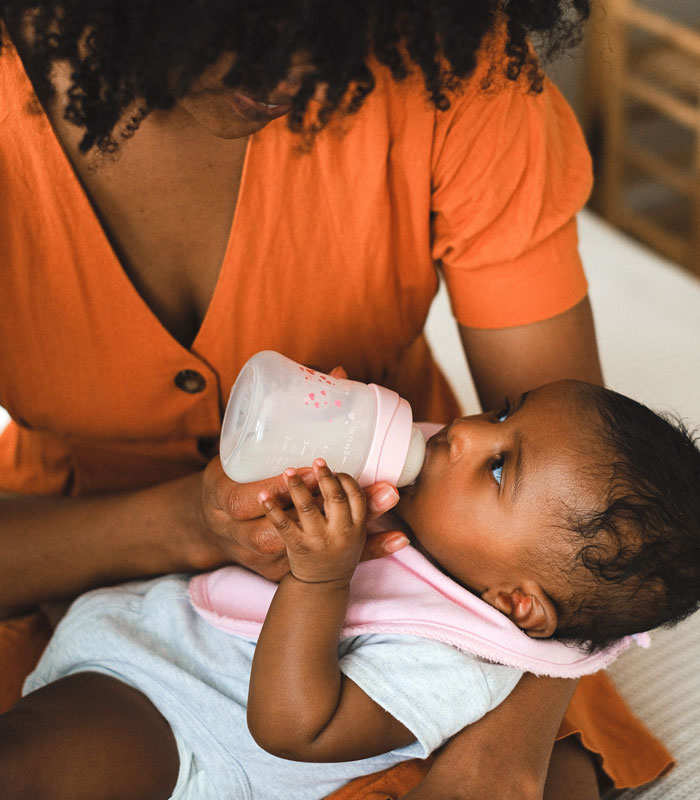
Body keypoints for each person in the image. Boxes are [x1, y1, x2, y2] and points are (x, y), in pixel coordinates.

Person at [0, 2, 674, 797]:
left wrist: (510, 743)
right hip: (75, 551)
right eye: (252, 29)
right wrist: (194, 522)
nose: (294, 73)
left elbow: (590, 515)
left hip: (455, 638)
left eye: (337, 31)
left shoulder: (453, 67)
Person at [5, 379, 700, 800]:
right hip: (146, 619)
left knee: (26, 768)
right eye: (501, 413)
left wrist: (321, 578)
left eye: (498, 468)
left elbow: (294, 726)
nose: (462, 434)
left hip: (183, 725)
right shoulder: (429, 498)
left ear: (518, 603)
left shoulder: (459, 664)